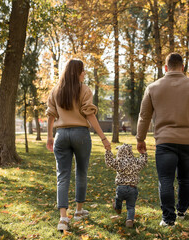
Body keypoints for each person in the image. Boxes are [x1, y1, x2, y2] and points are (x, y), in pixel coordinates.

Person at [136, 53, 189, 226]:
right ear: (182, 67)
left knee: (166, 180)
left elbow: (144, 116)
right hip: (188, 142)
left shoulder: (153, 87)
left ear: (166, 68)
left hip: (164, 142)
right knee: (185, 178)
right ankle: (182, 211)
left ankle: (168, 219)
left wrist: (140, 139)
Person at [46, 59, 111, 232]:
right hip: (80, 135)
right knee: (81, 172)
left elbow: (51, 115)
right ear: (76, 72)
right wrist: (103, 138)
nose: (85, 73)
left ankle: (62, 218)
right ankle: (79, 211)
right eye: (83, 71)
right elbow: (90, 115)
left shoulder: (55, 90)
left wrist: (49, 137)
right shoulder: (84, 90)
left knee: (62, 175)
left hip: (60, 136)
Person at [104, 143, 148, 228]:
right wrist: (143, 153)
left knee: (118, 199)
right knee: (131, 206)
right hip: (132, 188)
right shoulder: (135, 161)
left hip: (121, 187)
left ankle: (118, 208)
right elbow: (143, 162)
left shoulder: (118, 162)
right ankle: (129, 220)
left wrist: (108, 151)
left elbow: (109, 162)